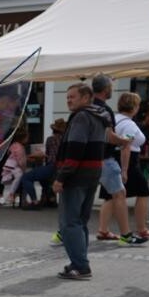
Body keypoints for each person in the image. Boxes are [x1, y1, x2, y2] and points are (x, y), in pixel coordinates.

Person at [53, 82, 109, 280]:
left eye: (72, 97)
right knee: (81, 221)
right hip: (92, 174)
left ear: (86, 98)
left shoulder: (81, 117)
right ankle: (79, 262)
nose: (68, 100)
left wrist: (61, 177)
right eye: (67, 97)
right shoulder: (99, 116)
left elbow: (75, 150)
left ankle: (81, 266)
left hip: (76, 176)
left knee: (70, 223)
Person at [92, 75, 146, 245]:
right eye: (111, 86)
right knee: (120, 195)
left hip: (93, 158)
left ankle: (101, 230)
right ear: (106, 89)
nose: (113, 89)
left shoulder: (90, 108)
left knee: (103, 196)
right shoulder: (105, 111)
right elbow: (110, 137)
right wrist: (123, 142)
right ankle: (127, 235)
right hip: (106, 159)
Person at [116, 92, 149, 239]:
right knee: (144, 192)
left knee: (113, 195)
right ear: (134, 107)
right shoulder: (129, 124)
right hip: (129, 160)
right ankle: (142, 228)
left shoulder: (115, 119)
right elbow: (126, 146)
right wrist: (125, 169)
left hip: (118, 158)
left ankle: (103, 229)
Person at [19, 118, 64, 209]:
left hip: (53, 167)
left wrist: (37, 156)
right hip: (62, 168)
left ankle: (34, 201)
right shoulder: (65, 140)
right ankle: (50, 199)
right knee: (43, 177)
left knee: (26, 177)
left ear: (53, 130)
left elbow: (48, 156)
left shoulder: (50, 139)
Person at [0, 126, 29, 206]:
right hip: (15, 166)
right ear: (22, 138)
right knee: (19, 177)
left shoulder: (14, 145)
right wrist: (23, 167)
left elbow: (10, 153)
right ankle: (12, 194)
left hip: (9, 165)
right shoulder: (20, 147)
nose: (28, 139)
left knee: (17, 178)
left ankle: (14, 196)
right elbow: (20, 160)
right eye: (27, 137)